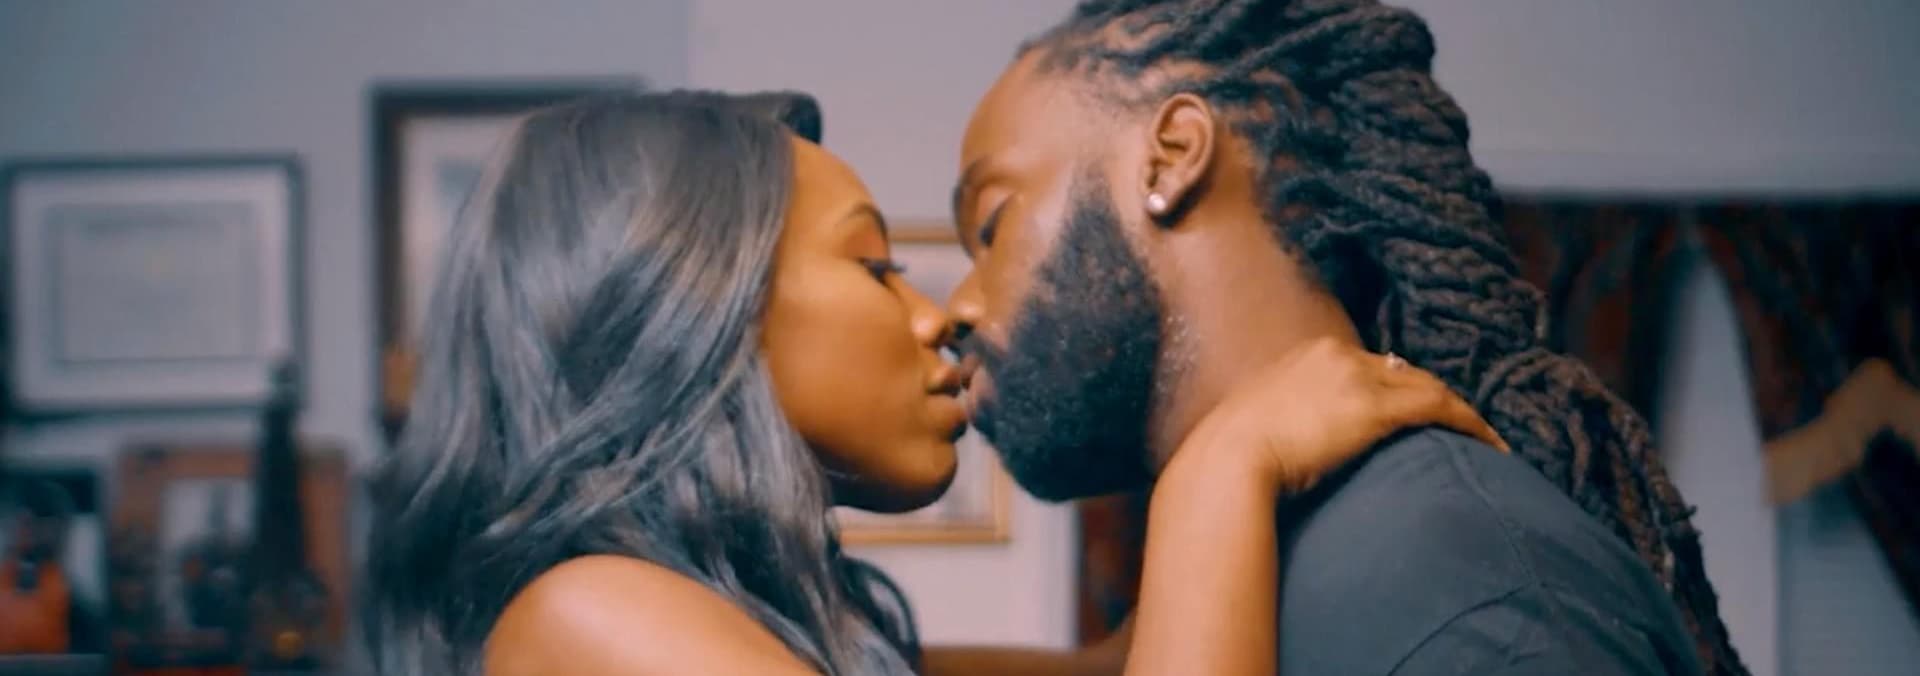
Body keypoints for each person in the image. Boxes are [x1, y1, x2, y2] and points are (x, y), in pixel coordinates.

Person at [359, 90, 1501, 675]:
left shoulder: (798, 633)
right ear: (699, 311)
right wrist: (1228, 468)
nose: (935, 313)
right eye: (873, 264)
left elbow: (1118, 671)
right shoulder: (591, 617)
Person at [941, 1, 1745, 674]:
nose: (955, 310)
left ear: (1172, 157)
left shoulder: (1459, 585)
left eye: (991, 225)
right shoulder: (1243, 564)